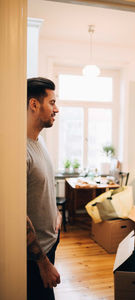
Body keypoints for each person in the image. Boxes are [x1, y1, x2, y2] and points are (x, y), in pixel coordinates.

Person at [27, 77, 62, 300]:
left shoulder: (40, 141)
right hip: (34, 257)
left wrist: (56, 213)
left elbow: (43, 187)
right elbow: (17, 215)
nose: (56, 109)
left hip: (50, 243)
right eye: (52, 102)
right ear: (34, 104)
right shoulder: (20, 150)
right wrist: (43, 263)